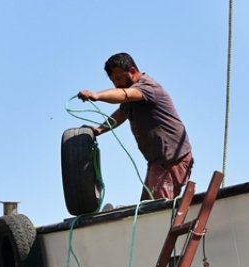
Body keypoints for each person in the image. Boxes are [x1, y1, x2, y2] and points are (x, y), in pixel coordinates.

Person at [77, 52, 193, 201]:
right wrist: (100, 129)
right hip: (158, 162)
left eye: (118, 78)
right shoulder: (131, 98)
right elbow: (121, 113)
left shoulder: (147, 86)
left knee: (157, 208)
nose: (116, 84)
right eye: (113, 81)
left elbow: (125, 94)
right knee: (146, 206)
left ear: (132, 72)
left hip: (173, 158)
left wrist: (96, 96)